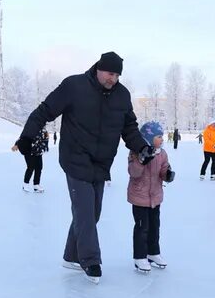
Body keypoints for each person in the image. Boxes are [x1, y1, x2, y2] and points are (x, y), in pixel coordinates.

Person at [16, 51, 151, 284]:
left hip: (100, 162)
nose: (113, 79)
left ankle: (72, 255)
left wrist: (141, 147)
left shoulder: (121, 95)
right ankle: (90, 260)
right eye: (110, 73)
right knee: (86, 211)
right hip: (75, 158)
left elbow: (129, 127)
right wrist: (27, 137)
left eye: (117, 75)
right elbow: (44, 111)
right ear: (99, 68)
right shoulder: (74, 86)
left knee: (91, 211)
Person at [127, 121, 175, 273]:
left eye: (162, 136)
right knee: (142, 228)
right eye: (158, 136)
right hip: (140, 197)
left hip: (155, 197)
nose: (162, 139)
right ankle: (139, 257)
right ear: (149, 137)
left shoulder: (162, 153)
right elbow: (133, 173)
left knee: (154, 227)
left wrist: (167, 175)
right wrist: (142, 160)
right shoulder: (136, 152)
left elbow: (163, 169)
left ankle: (153, 253)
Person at [12, 128, 47, 192]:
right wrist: (16, 144)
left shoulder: (44, 130)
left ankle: (36, 185)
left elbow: (45, 139)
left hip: (38, 151)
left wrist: (45, 147)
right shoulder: (32, 126)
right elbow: (22, 137)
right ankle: (26, 184)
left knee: (39, 168)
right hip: (29, 150)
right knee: (31, 167)